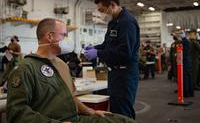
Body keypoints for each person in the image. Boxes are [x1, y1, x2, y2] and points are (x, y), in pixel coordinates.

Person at [7, 18, 136, 123]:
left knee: (124, 121)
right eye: (64, 35)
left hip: (75, 119)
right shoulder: (26, 68)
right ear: (50, 36)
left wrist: (91, 111)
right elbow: (17, 113)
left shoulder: (62, 65)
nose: (68, 39)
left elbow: (71, 98)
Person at [84, 0, 140, 119]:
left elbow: (125, 53)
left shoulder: (127, 22)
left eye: (102, 9)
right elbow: (107, 45)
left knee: (123, 112)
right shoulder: (113, 22)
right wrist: (95, 48)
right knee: (115, 110)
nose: (102, 13)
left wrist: (98, 53)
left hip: (125, 74)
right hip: (114, 73)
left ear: (112, 5)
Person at [172, 30, 194, 97]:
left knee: (185, 78)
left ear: (184, 34)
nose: (180, 35)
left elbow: (183, 52)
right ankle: (190, 92)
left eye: (181, 33)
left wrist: (177, 54)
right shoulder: (187, 42)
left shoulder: (184, 42)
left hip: (184, 62)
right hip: (188, 62)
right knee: (189, 77)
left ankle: (186, 92)